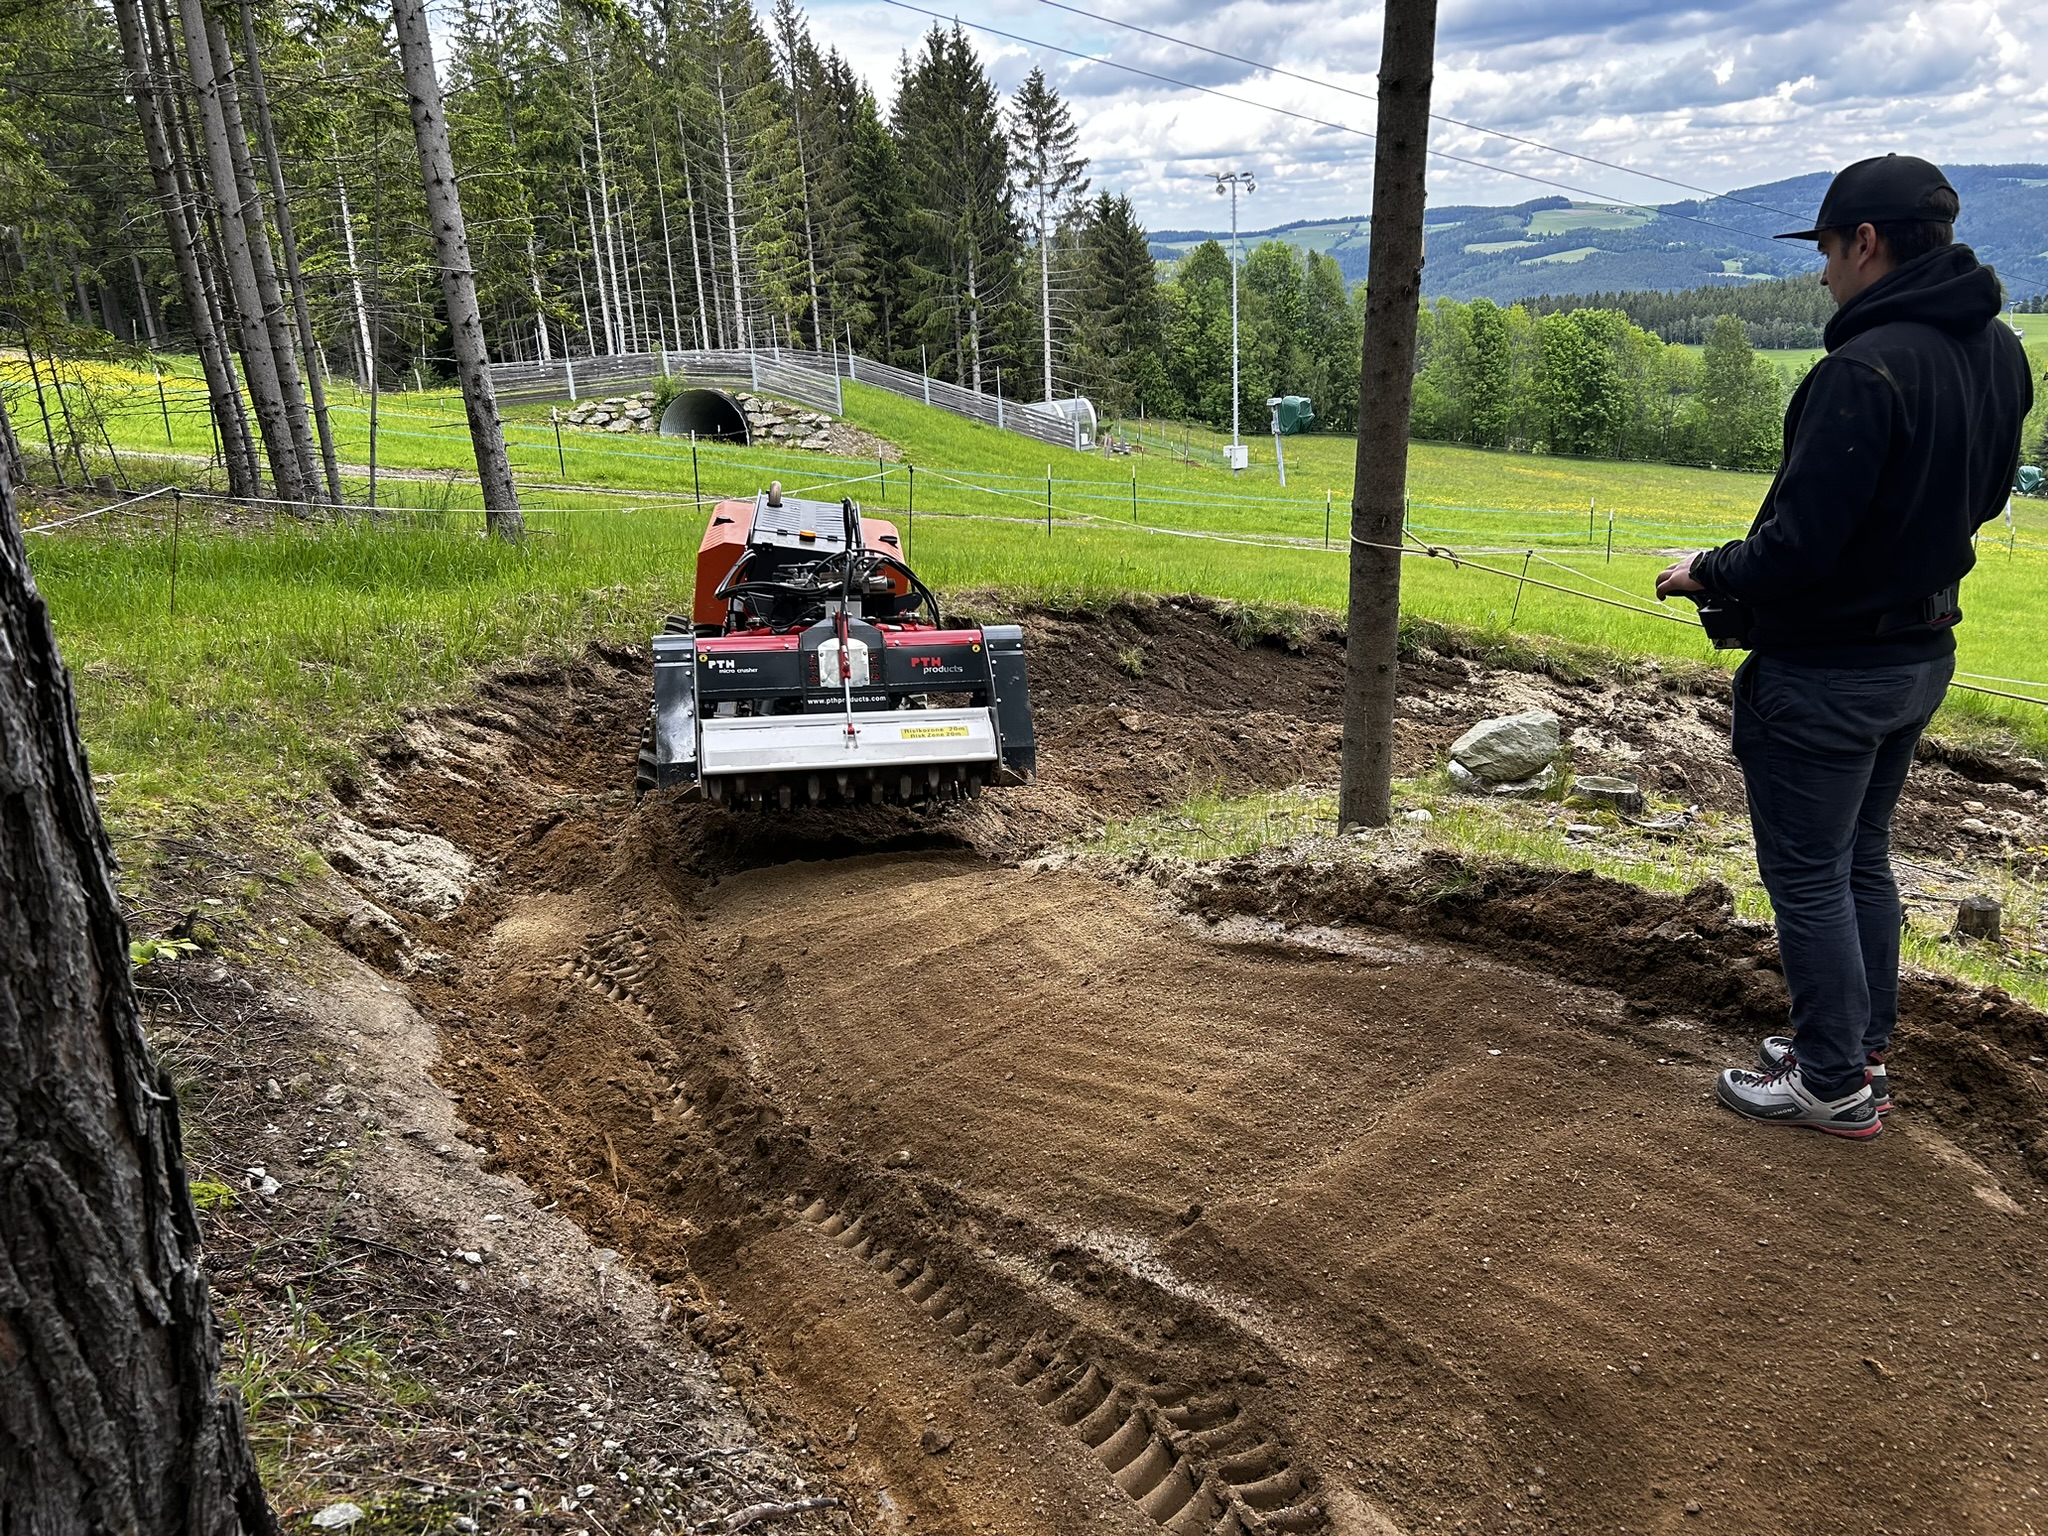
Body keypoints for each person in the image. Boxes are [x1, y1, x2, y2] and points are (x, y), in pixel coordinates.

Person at [1655, 155, 2033, 1138]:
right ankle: (1857, 1045)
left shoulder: (1857, 371)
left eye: (1826, 250)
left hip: (1824, 675)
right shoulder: (1996, 350)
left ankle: (1827, 1079)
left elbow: (1793, 547)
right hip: (1920, 657)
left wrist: (1709, 570)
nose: (1821, 274)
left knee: (1809, 876)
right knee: (1859, 857)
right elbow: (1984, 498)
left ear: (1864, 243)